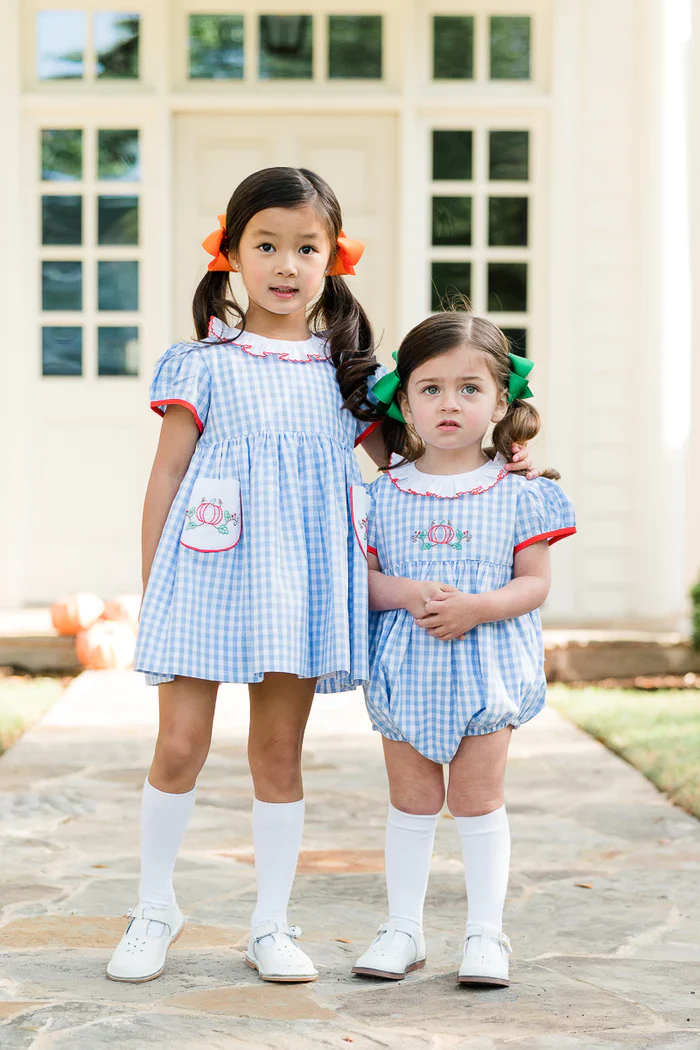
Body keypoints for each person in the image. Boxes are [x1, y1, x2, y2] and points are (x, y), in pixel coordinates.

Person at [106, 166, 534, 986]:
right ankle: (154, 904)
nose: (286, 265)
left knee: (278, 751)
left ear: (333, 259)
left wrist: (500, 449)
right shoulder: (202, 364)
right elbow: (165, 476)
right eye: (266, 244)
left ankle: (271, 923)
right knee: (180, 745)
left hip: (296, 581)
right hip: (204, 573)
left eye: (307, 247)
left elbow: (415, 459)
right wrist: (154, 574)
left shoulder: (346, 376)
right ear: (230, 253)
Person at [352, 312, 575, 987]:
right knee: (411, 802)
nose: (449, 404)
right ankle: (404, 929)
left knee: (479, 800)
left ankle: (485, 934)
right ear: (404, 399)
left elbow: (534, 585)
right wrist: (408, 592)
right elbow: (360, 583)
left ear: (501, 401)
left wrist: (478, 607)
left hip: (488, 674)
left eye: (470, 389)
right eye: (431, 388)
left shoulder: (521, 493)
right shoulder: (380, 494)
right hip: (406, 671)